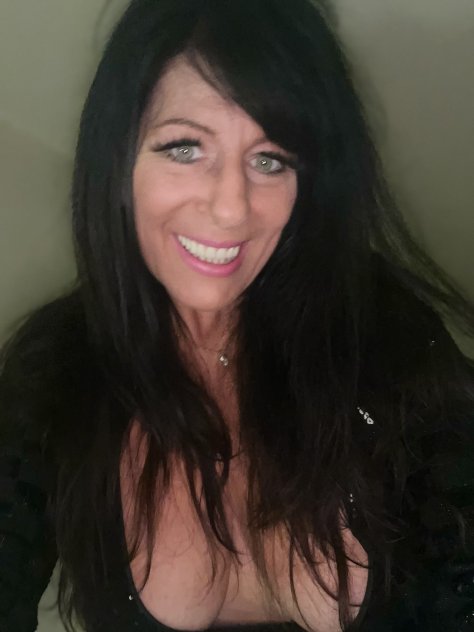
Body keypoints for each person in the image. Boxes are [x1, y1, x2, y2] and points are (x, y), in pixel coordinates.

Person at [1, 0, 473, 630]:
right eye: (184, 147)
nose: (231, 208)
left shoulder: (384, 332)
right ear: (117, 163)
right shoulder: (55, 373)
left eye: (270, 159)